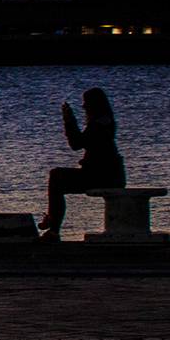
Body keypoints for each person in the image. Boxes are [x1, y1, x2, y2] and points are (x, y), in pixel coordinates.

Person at [39, 87, 125, 239]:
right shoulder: (105, 122)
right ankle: (52, 223)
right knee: (57, 177)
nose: (84, 106)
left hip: (102, 177)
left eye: (86, 103)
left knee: (56, 177)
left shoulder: (99, 125)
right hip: (108, 175)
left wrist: (69, 121)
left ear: (94, 105)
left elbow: (76, 143)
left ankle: (53, 228)